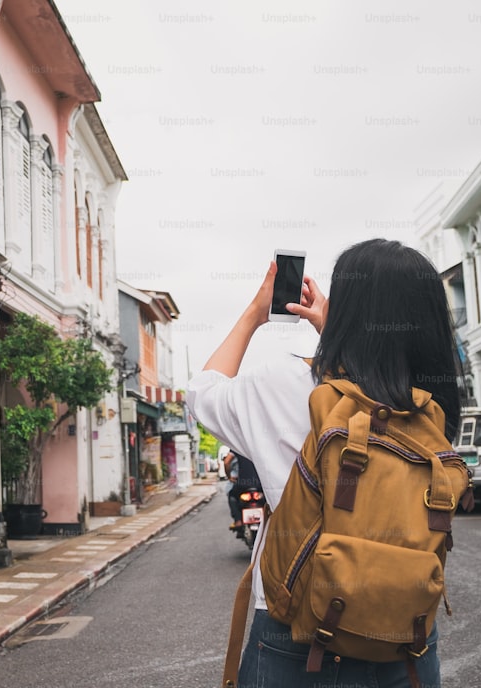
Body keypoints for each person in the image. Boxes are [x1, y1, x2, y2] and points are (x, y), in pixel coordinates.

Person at [188, 238, 459, 688]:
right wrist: (340, 335)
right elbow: (372, 380)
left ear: (347, 313)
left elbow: (201, 394)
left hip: (298, 633)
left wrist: (256, 313)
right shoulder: (433, 405)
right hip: (406, 634)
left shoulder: (283, 384)